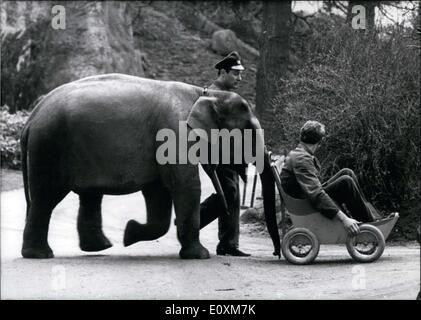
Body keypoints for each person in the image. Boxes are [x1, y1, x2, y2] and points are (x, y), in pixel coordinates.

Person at [280, 120, 385, 236]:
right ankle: (371, 223)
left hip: (303, 195)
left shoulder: (299, 153)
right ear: (320, 141)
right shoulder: (302, 159)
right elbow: (316, 194)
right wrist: (344, 219)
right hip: (305, 202)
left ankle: (372, 217)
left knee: (347, 173)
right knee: (346, 182)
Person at [199, 51, 250, 257]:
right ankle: (191, 222)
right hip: (216, 153)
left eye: (240, 74)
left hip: (231, 154)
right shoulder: (211, 94)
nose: (239, 78)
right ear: (223, 72)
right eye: (236, 74)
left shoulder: (228, 95)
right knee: (228, 193)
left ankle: (228, 244)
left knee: (233, 196)